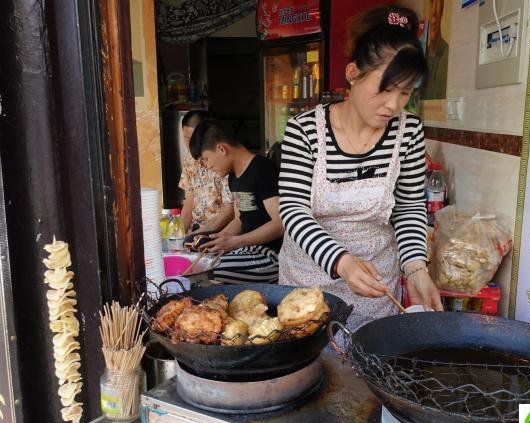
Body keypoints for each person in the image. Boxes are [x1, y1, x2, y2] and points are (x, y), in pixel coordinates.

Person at [278, 5, 443, 334]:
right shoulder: (305, 130)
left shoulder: (407, 131)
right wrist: (342, 262)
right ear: (353, 73)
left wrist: (416, 269)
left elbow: (409, 207)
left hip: (376, 288)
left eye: (405, 92)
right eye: (385, 89)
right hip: (308, 285)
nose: (394, 105)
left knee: (367, 368)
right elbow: (293, 210)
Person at [189, 119, 284, 283]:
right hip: (246, 251)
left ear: (221, 149)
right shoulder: (233, 176)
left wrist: (235, 242)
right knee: (194, 260)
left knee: (199, 272)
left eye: (205, 159)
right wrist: (219, 239)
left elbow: (281, 223)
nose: (207, 166)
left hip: (270, 256)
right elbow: (240, 220)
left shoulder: (263, 169)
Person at [178, 110, 234, 234]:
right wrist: (180, 235)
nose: (190, 144)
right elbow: (189, 201)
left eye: (193, 138)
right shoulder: (189, 160)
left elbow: (230, 210)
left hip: (221, 231)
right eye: (186, 138)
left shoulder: (224, 160)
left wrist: (200, 234)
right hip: (196, 229)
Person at [421, 0, 449, 100]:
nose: (434, 12)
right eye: (432, 2)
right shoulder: (423, 57)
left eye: (437, 3)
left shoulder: (447, 55)